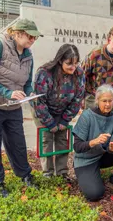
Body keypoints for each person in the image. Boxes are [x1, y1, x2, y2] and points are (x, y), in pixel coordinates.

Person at [0, 19, 43, 197]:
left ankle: (25, 175)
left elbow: (27, 82)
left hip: (12, 107)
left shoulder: (28, 54)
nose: (33, 40)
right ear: (18, 33)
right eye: (30, 36)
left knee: (18, 144)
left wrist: (29, 93)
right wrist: (7, 92)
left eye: (35, 37)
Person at [31, 44, 85, 180]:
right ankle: (47, 173)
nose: (73, 67)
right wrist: (49, 123)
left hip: (63, 109)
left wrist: (64, 120)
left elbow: (78, 99)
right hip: (42, 109)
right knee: (47, 139)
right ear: (60, 60)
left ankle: (62, 173)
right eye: (69, 63)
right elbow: (39, 101)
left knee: (62, 138)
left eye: (76, 63)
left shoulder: (78, 73)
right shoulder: (44, 73)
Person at [73, 84, 113, 201]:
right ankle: (87, 176)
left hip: (103, 156)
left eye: (110, 101)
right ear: (97, 100)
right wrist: (93, 142)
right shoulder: (87, 116)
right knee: (95, 194)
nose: (107, 104)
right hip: (85, 160)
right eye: (104, 101)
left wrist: (112, 149)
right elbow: (77, 147)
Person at [82, 26, 113, 115]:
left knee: (112, 126)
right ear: (109, 40)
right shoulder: (95, 54)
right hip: (93, 97)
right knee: (92, 126)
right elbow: (82, 74)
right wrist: (81, 97)